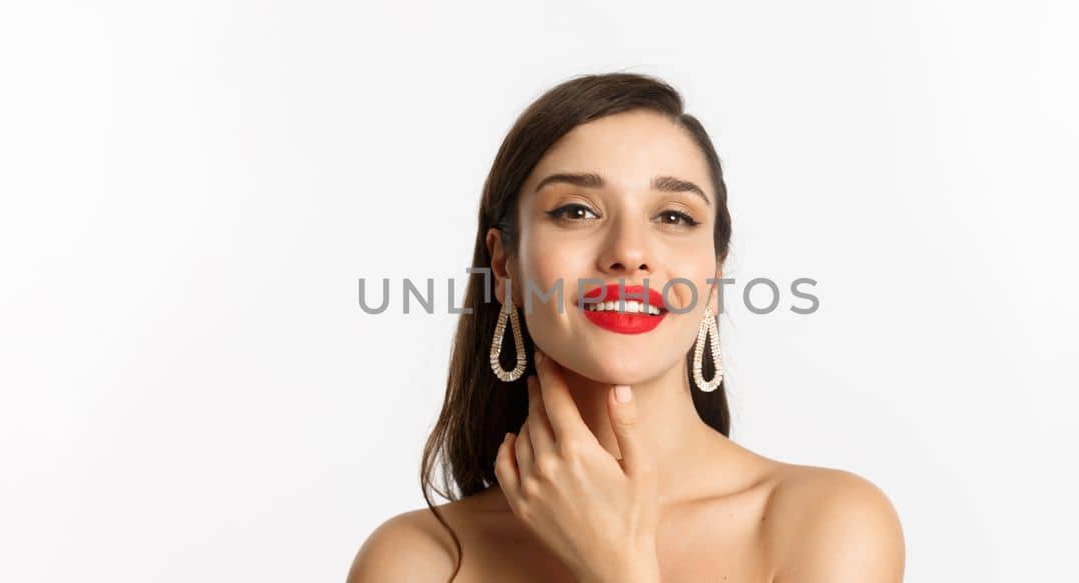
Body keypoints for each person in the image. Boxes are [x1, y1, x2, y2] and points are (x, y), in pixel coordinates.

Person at [348, 72, 904, 582]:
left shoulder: (828, 525)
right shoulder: (420, 561)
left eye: (674, 216)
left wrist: (618, 566)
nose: (629, 253)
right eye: (577, 211)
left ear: (713, 276)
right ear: (504, 266)